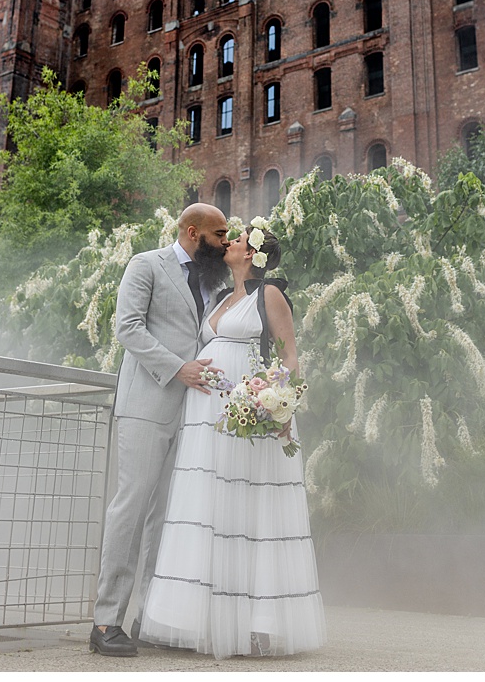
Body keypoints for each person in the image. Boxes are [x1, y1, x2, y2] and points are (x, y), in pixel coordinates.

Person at [139, 225, 327, 659]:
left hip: (251, 414)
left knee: (250, 510)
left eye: (238, 240)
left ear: (253, 255)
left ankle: (259, 622)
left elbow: (290, 354)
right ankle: (201, 617)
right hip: (207, 416)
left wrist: (282, 405)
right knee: (209, 507)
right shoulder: (223, 297)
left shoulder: (270, 295)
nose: (230, 243)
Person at [91, 204, 230, 657]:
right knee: (130, 510)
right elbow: (127, 328)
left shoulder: (214, 281)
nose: (226, 240)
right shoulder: (146, 265)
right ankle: (106, 621)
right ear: (193, 232)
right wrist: (178, 369)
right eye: (219, 233)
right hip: (146, 405)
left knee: (166, 517)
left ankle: (147, 617)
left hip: (194, 414)